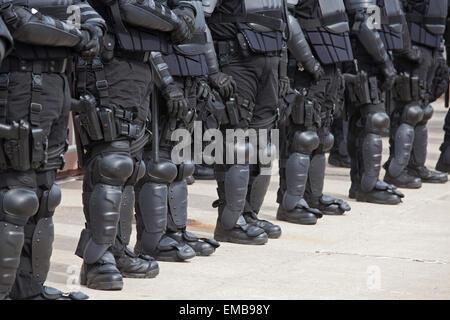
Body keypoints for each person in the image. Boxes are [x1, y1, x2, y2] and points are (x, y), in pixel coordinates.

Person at [73, 0, 195, 290]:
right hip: (106, 63)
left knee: (131, 166)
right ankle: (97, 260)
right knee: (111, 164)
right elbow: (129, 7)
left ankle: (117, 251)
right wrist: (177, 21)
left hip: (137, 63)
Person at [0, 0, 103, 300]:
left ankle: (29, 290)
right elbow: (19, 21)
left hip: (56, 84)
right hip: (18, 80)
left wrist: (89, 30)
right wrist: (79, 36)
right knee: (16, 196)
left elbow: (88, 13)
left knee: (46, 195)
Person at [134, 0, 234, 262]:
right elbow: (145, 36)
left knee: (181, 161)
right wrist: (166, 84)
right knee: (158, 163)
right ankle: (152, 240)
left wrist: (209, 73)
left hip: (190, 70)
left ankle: (176, 231)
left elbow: (201, 28)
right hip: (164, 72)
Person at [205, 0, 293, 245]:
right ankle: (229, 222)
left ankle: (248, 214)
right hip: (236, 61)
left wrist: (282, 70)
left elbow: (281, 23)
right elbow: (198, 19)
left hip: (270, 61)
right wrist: (213, 71)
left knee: (262, 144)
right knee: (236, 144)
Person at [276, 0, 353, 226]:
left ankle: (313, 197)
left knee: (322, 137)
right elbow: (286, 17)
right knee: (303, 137)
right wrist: (308, 61)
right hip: (306, 66)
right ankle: (291, 202)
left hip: (330, 63)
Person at [344, 0, 405, 205]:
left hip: (361, 58)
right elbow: (365, 23)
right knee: (374, 120)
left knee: (362, 123)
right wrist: (385, 63)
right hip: (364, 61)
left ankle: (362, 183)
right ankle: (367, 186)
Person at [384, 0, 448, 188]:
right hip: (413, 42)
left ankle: (416, 167)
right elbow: (391, 7)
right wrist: (403, 47)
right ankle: (396, 171)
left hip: (433, 44)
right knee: (409, 111)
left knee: (422, 110)